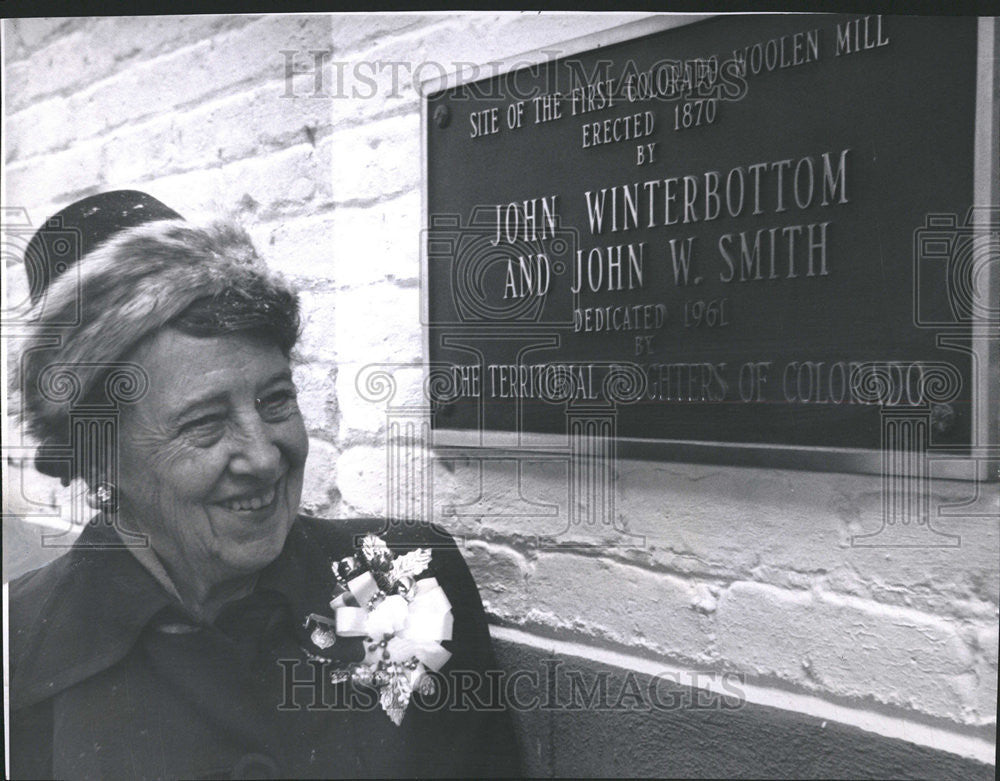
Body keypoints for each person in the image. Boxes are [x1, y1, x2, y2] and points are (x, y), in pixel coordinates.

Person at [7, 191, 520, 779]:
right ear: (98, 461)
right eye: (204, 423)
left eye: (276, 401)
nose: (264, 456)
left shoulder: (404, 582)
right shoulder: (20, 646)